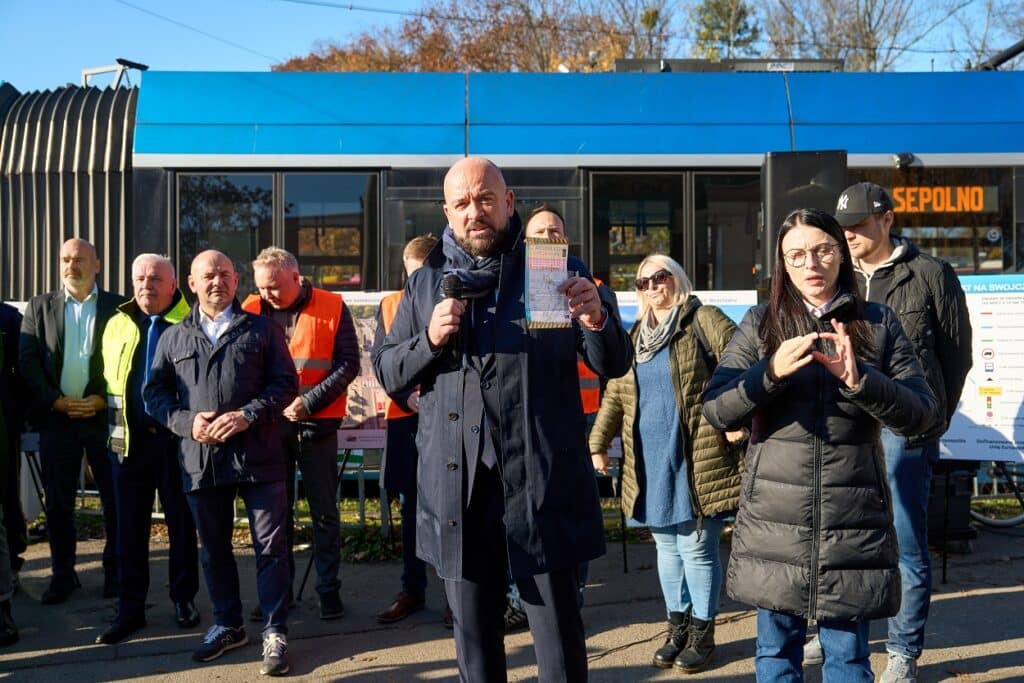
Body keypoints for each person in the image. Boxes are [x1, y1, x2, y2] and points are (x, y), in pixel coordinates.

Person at [373, 157, 633, 682]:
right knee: (475, 650)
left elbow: (614, 362)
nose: (475, 211)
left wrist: (597, 318)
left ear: (508, 203)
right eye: (462, 203)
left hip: (541, 486)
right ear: (447, 212)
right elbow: (387, 370)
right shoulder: (425, 284)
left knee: (559, 649)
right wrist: (430, 341)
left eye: (486, 199)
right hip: (459, 493)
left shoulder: (555, 269)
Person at [702, 208, 939, 681]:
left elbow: (923, 413)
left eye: (822, 250)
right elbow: (717, 409)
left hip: (851, 521)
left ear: (841, 253)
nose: (810, 263)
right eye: (796, 255)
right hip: (774, 520)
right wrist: (768, 373)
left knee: (848, 659)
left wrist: (860, 379)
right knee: (775, 656)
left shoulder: (877, 322)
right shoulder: (761, 323)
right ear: (782, 264)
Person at [812, 181, 971, 682]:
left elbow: (956, 357)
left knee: (904, 544)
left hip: (903, 432)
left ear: (887, 220)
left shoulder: (930, 275)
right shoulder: (834, 276)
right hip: (843, 429)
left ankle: (902, 650)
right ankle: (838, 633)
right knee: (841, 542)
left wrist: (931, 420)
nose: (849, 235)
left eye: (859, 225)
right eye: (844, 228)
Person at [144, 250, 298, 677]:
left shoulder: (262, 329)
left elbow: (286, 384)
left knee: (271, 548)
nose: (219, 282)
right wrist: (188, 423)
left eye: (226, 274)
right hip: (202, 460)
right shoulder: (173, 337)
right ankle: (229, 624)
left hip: (259, 456)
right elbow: (154, 395)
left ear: (236, 281)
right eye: (209, 275)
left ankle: (274, 630)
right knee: (214, 550)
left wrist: (248, 414)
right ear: (191, 283)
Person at [589, 253, 743, 673]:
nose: (653, 286)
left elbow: (743, 359)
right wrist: (598, 442)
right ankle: (677, 629)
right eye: (643, 282)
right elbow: (616, 394)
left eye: (660, 277)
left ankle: (703, 635)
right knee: (667, 548)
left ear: (676, 278)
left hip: (695, 456)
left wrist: (735, 415)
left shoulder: (701, 319)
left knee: (696, 547)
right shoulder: (635, 335)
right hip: (649, 458)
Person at [243, 247, 359, 622]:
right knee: (276, 515)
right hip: (269, 427)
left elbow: (348, 364)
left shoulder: (332, 305)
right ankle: (279, 594)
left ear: (296, 277)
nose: (266, 295)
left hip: (317, 425)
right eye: (261, 287)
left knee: (324, 513)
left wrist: (309, 402)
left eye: (274, 287)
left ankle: (329, 592)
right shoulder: (250, 307)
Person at [95, 254, 200, 644]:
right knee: (128, 529)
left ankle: (183, 599)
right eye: (139, 278)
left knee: (182, 526)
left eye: (155, 279)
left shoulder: (192, 323)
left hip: (176, 442)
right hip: (128, 442)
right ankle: (130, 608)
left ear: (173, 284)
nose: (146, 285)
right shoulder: (118, 323)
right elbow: (107, 381)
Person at [18, 238, 121, 604]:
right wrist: (56, 401)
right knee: (58, 504)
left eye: (79, 259)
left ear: (97, 264)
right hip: (57, 420)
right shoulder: (39, 307)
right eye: (65, 259)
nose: (70, 266)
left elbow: (128, 358)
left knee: (114, 499)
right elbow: (28, 361)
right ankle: (63, 576)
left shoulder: (118, 307)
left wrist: (102, 399)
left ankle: (115, 575)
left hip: (104, 418)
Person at [373, 234, 449, 626]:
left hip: (447, 416)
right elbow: (382, 361)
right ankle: (412, 590)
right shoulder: (391, 304)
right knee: (411, 508)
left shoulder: (455, 297)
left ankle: (455, 597)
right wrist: (406, 398)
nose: (416, 284)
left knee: (452, 508)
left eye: (422, 275)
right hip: (406, 419)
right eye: (411, 276)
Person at [0, 302, 27, 592]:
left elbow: (23, 371)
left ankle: (11, 564)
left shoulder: (7, 319)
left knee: (6, 492)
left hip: (4, 427)